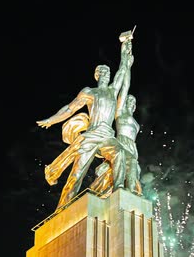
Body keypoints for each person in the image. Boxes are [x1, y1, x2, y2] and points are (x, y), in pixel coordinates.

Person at [37, 39, 134, 209]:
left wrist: (125, 50)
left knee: (119, 153)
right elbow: (69, 108)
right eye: (102, 71)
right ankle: (62, 207)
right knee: (77, 173)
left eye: (107, 72)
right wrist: (52, 119)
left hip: (107, 136)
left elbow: (123, 69)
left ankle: (119, 187)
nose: (106, 74)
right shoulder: (89, 92)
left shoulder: (113, 90)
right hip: (92, 135)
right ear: (96, 76)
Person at [90, 94, 142, 196]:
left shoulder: (137, 124)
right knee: (124, 162)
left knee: (132, 166)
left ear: (135, 106)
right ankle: (123, 188)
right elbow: (122, 94)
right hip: (122, 142)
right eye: (129, 99)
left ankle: (130, 191)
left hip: (132, 147)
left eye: (133, 100)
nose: (131, 101)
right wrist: (126, 78)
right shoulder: (120, 113)